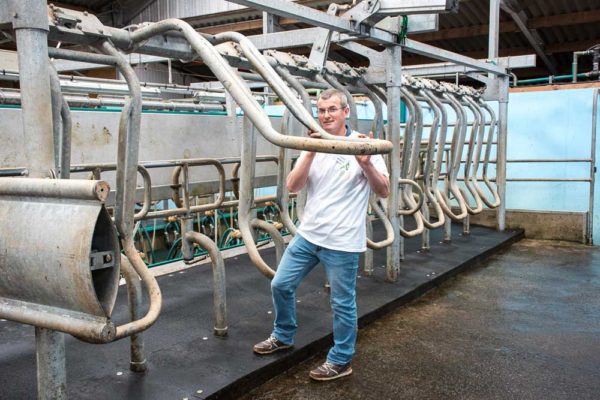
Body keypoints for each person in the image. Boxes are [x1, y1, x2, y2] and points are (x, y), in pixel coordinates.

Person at [253, 88, 390, 381]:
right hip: (308, 235)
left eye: (332, 109)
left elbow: (384, 190)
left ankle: (341, 360)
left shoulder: (365, 146)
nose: (326, 115)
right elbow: (292, 186)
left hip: (342, 242)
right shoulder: (312, 144)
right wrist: (311, 151)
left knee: (342, 303)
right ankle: (283, 335)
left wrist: (366, 165)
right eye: (321, 110)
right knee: (281, 284)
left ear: (345, 112)